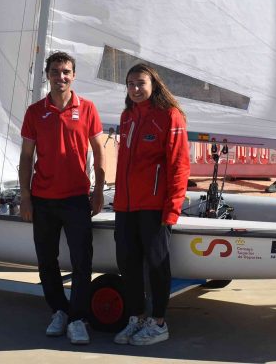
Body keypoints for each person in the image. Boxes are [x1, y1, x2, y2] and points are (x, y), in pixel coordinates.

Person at [19, 51, 105, 346]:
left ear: (74, 75)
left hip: (77, 199)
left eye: (66, 71)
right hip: (43, 200)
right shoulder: (35, 112)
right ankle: (58, 310)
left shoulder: (88, 108)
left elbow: (98, 151)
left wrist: (98, 191)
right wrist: (25, 197)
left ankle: (78, 318)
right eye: (55, 72)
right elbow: (26, 157)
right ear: (48, 75)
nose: (61, 77)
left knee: (83, 261)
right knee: (46, 261)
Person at [112, 63, 190, 346]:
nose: (135, 89)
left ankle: (158, 322)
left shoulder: (170, 116)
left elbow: (180, 166)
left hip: (155, 207)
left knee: (157, 265)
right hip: (126, 206)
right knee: (128, 264)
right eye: (130, 84)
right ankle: (137, 317)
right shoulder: (127, 116)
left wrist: (172, 210)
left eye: (140, 83)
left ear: (153, 84)